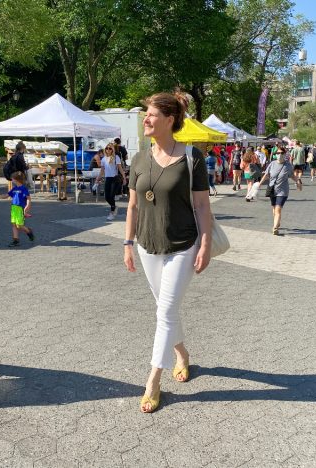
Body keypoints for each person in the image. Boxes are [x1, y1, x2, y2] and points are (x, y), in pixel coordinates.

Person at [125, 91, 212, 414]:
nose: (145, 119)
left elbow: (202, 205)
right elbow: (133, 205)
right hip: (147, 245)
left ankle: (153, 380)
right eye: (145, 114)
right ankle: (182, 355)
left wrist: (204, 243)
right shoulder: (138, 159)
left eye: (150, 114)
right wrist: (126, 243)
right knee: (166, 309)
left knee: (164, 313)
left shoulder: (192, 158)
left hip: (183, 245)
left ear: (169, 120)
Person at [258, 148, 302, 235]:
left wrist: (298, 181)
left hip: (283, 191)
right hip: (272, 189)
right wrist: (259, 184)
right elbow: (266, 175)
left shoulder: (288, 165)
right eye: (278, 153)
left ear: (285, 154)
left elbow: (292, 176)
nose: (280, 154)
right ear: (275, 154)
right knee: (274, 209)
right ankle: (277, 222)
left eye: (282, 153)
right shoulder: (272, 164)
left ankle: (275, 228)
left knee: (278, 209)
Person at [95, 143, 126, 220]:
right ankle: (114, 206)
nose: (108, 150)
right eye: (107, 148)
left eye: (110, 148)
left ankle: (112, 212)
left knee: (111, 196)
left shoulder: (116, 157)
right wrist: (97, 179)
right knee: (106, 197)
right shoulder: (103, 159)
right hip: (107, 179)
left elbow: (120, 168)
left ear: (113, 150)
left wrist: (124, 178)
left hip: (114, 179)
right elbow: (102, 171)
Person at [7, 171, 35, 247]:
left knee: (19, 225)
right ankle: (16, 240)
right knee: (14, 224)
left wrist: (27, 206)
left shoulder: (23, 188)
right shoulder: (14, 188)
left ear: (16, 179)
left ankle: (29, 232)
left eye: (12, 179)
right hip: (13, 208)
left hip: (20, 208)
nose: (11, 180)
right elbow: (7, 195)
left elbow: (28, 198)